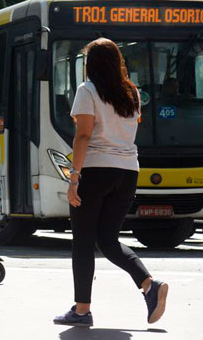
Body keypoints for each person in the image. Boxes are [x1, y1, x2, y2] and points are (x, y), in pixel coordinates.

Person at [53, 38, 168, 327]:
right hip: (128, 172)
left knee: (82, 241)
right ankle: (149, 285)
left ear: (90, 64)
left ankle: (81, 310)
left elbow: (83, 136)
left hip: (95, 171)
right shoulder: (132, 93)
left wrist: (74, 177)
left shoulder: (87, 90)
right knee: (107, 240)